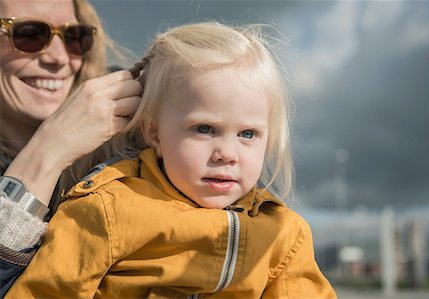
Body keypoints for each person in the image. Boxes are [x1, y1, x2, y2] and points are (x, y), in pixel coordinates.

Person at [6, 22, 336, 298]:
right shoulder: (106, 211)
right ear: (155, 134)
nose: (227, 153)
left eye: (248, 134)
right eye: (204, 129)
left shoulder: (285, 233)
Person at [0, 0, 142, 295]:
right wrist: (48, 150)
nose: (59, 58)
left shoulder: (140, 135)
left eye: (74, 37)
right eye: (28, 33)